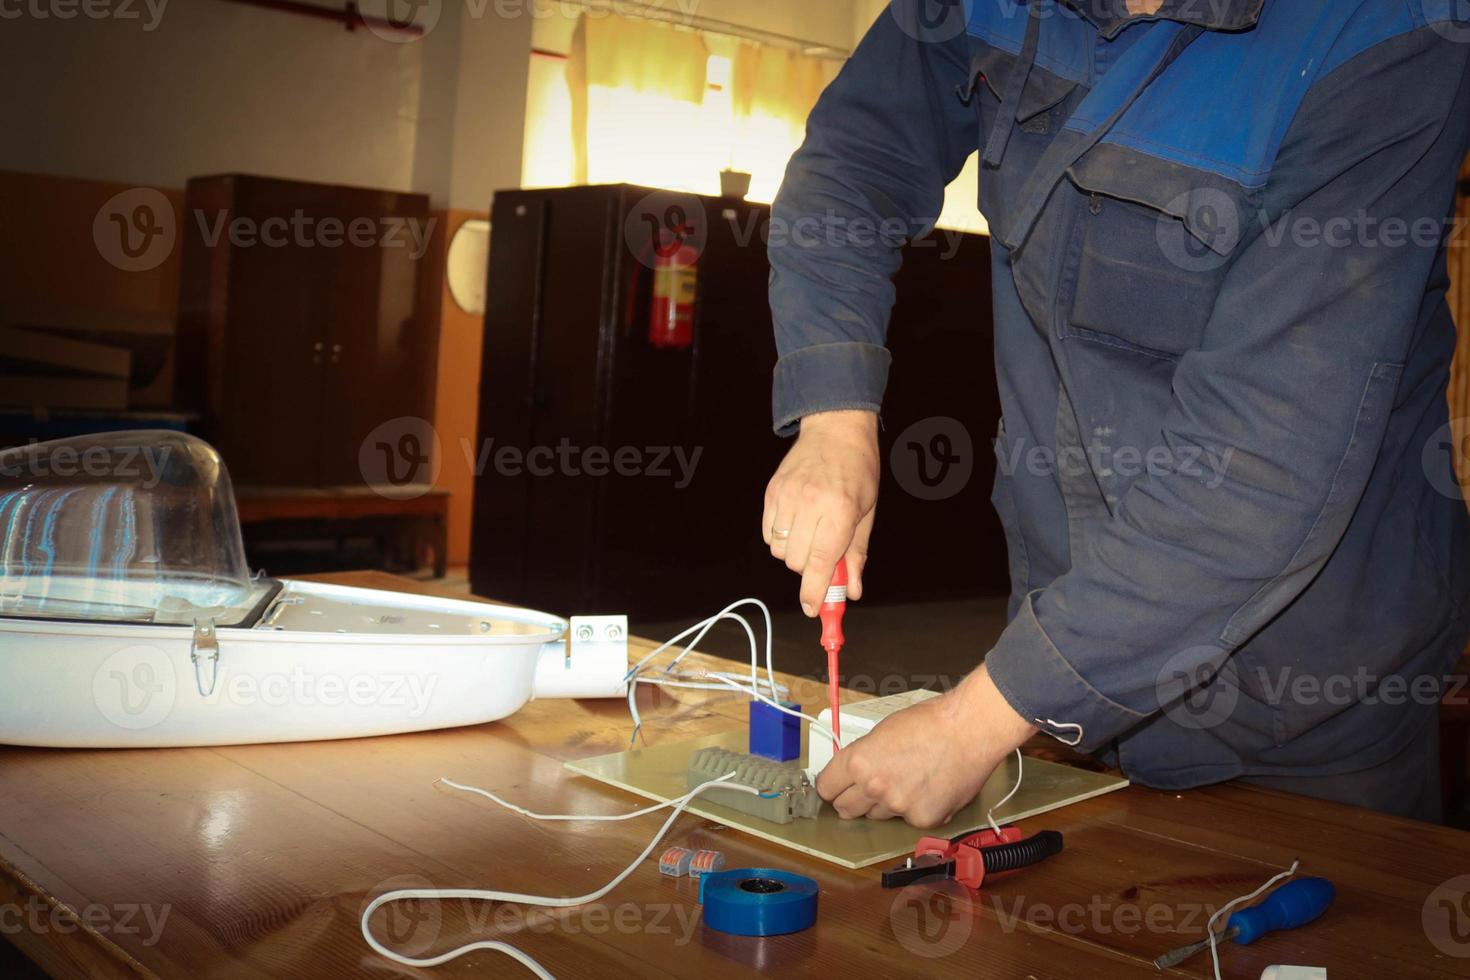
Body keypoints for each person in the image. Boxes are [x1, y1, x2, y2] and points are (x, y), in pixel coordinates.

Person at [763, 0, 1470, 826]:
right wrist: (834, 417)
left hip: (1304, 696)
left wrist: (972, 724)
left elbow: (1260, 463)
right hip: (1062, 639)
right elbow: (854, 165)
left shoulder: (1390, 30)